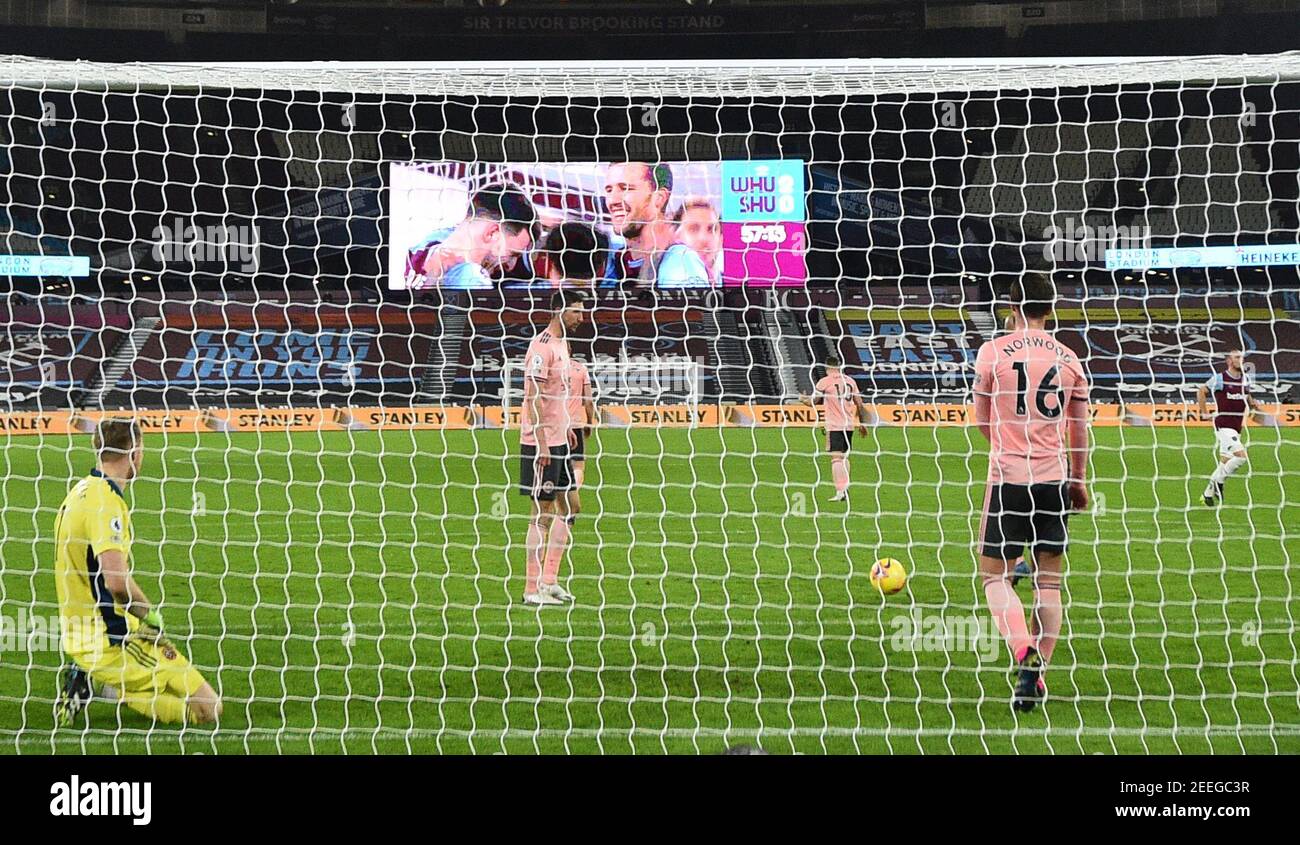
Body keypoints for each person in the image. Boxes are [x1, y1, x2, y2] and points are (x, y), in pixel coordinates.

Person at [972, 273, 1090, 713]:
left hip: (1008, 477)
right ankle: (1038, 678)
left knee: (994, 576)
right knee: (1049, 580)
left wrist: (1007, 443)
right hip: (1055, 477)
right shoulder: (1069, 358)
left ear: (1011, 306)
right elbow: (1078, 430)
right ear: (1051, 308)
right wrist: (1077, 480)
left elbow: (982, 420)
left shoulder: (993, 352)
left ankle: (1024, 650)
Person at [53, 418, 221, 726]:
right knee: (208, 710)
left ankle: (96, 680)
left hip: (85, 628)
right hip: (109, 637)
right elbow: (116, 581)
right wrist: (149, 616)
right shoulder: (105, 504)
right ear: (135, 451)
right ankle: (99, 681)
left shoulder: (80, 490)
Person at [518, 289, 588, 606]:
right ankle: (532, 589)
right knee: (542, 513)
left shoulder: (563, 345)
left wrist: (566, 429)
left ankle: (550, 581)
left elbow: (556, 395)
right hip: (540, 445)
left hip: (560, 439)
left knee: (572, 507)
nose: (581, 317)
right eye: (576, 311)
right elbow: (532, 398)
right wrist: (544, 441)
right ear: (559, 310)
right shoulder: (541, 346)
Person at [404, 183, 539, 289]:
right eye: (512, 254)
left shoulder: (414, 252)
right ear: (492, 233)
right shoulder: (472, 278)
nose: (511, 266)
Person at [601, 162, 710, 289]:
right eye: (609, 190)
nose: (613, 201)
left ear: (659, 198)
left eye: (625, 188)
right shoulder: (616, 260)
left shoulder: (679, 260)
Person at [1197, 350, 1262, 506]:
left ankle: (1206, 495)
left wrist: (1253, 403)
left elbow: (1246, 394)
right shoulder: (1220, 379)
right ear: (1229, 361)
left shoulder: (1245, 379)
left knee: (1224, 462)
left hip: (1236, 426)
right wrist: (1204, 413)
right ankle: (1219, 483)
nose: (1241, 360)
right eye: (1237, 357)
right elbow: (1201, 391)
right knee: (1240, 457)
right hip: (1223, 425)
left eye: (1242, 357)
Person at [804, 355, 869, 502]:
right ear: (839, 366)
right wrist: (862, 423)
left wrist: (803, 399)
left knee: (836, 458)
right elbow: (859, 403)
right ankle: (845, 488)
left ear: (827, 367)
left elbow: (813, 402)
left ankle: (840, 492)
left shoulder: (825, 382)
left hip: (834, 425)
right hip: (849, 425)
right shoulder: (850, 381)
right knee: (844, 456)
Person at [673, 198, 723, 286]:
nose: (703, 238)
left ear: (721, 240)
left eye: (711, 229)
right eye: (693, 229)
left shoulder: (737, 285)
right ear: (676, 237)